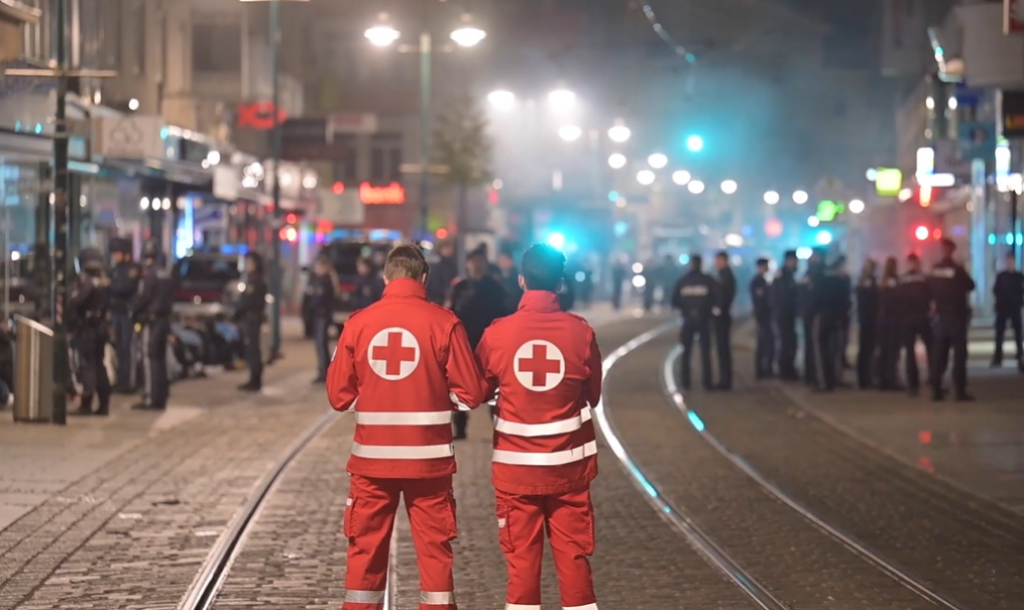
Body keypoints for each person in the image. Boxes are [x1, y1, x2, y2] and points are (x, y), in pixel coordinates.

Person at [326, 244, 485, 610]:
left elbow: (338, 396)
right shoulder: (445, 323)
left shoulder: (358, 323)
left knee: (364, 555)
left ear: (386, 277)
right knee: (434, 557)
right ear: (424, 278)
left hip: (371, 463)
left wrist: (374, 402)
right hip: (429, 464)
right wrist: (434, 399)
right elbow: (472, 393)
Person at [475, 243, 602, 610]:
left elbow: (479, 390)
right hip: (569, 471)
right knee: (574, 559)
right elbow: (593, 395)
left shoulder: (498, 334)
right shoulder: (581, 333)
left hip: (516, 474)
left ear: (521, 281)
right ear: (560, 284)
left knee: (522, 564)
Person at [448, 246, 507, 439]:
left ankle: (499, 428)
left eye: (480, 261)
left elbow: (504, 314)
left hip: (490, 346)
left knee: (494, 391)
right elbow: (451, 313)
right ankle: (460, 429)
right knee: (460, 387)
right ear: (467, 264)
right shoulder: (460, 287)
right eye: (473, 261)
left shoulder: (494, 287)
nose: (477, 265)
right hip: (465, 345)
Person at [928, 238, 976, 401]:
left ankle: (936, 390)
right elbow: (971, 285)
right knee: (959, 355)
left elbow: (929, 290)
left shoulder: (934, 270)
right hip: (957, 317)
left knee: (939, 355)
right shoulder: (957, 269)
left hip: (941, 317)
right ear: (952, 251)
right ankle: (960, 391)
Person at [69, 248, 113, 416]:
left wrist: (73, 296)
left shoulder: (87, 284)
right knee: (99, 365)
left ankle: (86, 403)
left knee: (87, 365)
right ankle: (104, 403)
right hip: (100, 327)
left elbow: (76, 302)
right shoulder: (104, 282)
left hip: (89, 329)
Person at [130, 240, 173, 411]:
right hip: (164, 320)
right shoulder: (166, 274)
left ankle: (151, 396)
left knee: (149, 358)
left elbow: (143, 298)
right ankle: (161, 395)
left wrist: (134, 311)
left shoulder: (150, 275)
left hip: (152, 321)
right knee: (160, 359)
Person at [671, 254, 716, 390]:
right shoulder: (708, 281)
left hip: (688, 321)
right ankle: (707, 382)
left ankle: (685, 382)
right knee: (705, 352)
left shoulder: (683, 281)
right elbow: (715, 299)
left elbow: (675, 301)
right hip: (704, 320)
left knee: (686, 352)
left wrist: (687, 309)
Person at [108, 238, 140, 394]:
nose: (115, 256)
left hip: (128, 314)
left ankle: (129, 382)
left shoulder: (132, 269)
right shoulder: (116, 269)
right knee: (119, 348)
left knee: (128, 348)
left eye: (117, 253)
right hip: (117, 312)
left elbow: (124, 288)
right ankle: (121, 380)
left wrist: (111, 287)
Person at [899, 253, 933, 395]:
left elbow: (898, 299)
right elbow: (931, 297)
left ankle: (913, 384)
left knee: (910, 352)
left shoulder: (902, 280)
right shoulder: (925, 279)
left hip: (908, 318)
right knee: (931, 348)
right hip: (922, 317)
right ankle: (933, 378)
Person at [237, 252, 268, 392]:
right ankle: (253, 378)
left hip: (253, 318)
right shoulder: (249, 279)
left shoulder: (257, 281)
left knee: (253, 348)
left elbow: (253, 301)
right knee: (250, 348)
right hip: (248, 317)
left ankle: (255, 379)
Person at [815, 257, 848, 392]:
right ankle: (833, 380)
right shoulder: (841, 283)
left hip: (824, 318)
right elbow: (845, 302)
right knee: (834, 351)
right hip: (836, 320)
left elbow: (816, 300)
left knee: (823, 352)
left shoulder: (822, 282)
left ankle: (825, 381)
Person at [992, 251, 1024, 371]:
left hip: (1014, 307)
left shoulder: (1019, 276)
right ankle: (998, 357)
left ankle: (1020, 356)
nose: (1010, 263)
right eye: (1008, 261)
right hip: (1003, 307)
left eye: (1011, 261)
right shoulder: (1002, 276)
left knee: (1018, 335)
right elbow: (995, 290)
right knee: (1000, 334)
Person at [307, 257, 336, 384]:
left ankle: (325, 372)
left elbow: (321, 301)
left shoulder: (325, 282)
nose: (317, 270)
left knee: (322, 345)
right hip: (319, 316)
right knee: (320, 345)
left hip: (322, 317)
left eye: (319, 267)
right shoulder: (319, 281)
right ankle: (323, 371)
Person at [773, 250, 800, 381]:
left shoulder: (789, 276)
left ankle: (788, 368)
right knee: (786, 343)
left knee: (790, 342)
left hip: (788, 315)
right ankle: (785, 370)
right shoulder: (784, 277)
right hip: (784, 315)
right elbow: (782, 297)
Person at [877, 256, 902, 391]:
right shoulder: (895, 281)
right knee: (893, 352)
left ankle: (882, 379)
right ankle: (891, 378)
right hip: (893, 321)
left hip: (882, 320)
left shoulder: (882, 282)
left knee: (884, 351)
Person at [711, 251, 736, 390]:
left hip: (722, 317)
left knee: (723, 348)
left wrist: (718, 309)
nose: (716, 263)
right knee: (721, 348)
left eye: (718, 260)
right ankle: (724, 379)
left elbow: (723, 296)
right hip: (722, 316)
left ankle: (725, 381)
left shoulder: (725, 276)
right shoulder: (723, 275)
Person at [800, 251, 824, 388]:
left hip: (813, 315)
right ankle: (811, 374)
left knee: (813, 346)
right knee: (812, 346)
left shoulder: (813, 275)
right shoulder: (811, 275)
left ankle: (812, 374)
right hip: (811, 315)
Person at [855, 259, 880, 389]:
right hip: (868, 319)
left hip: (868, 319)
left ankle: (865, 378)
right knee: (867, 349)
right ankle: (865, 378)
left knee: (867, 349)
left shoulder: (864, 281)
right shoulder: (868, 282)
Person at [750, 257, 774, 379]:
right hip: (762, 316)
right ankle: (762, 370)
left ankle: (765, 369)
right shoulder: (757, 281)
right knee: (764, 343)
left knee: (767, 343)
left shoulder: (763, 281)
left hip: (764, 315)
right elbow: (761, 298)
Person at [426, 239, 458, 305]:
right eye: (447, 247)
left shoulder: (452, 264)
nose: (450, 249)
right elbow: (435, 284)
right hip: (437, 300)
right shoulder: (435, 265)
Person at [496, 247, 524, 313]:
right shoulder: (498, 278)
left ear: (511, 260)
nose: (501, 262)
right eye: (500, 259)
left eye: (504, 259)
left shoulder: (517, 279)